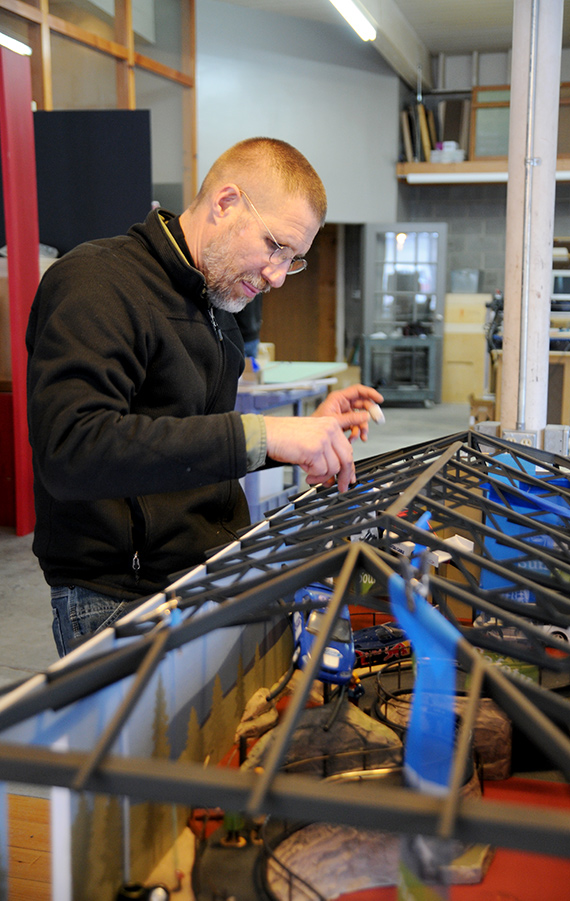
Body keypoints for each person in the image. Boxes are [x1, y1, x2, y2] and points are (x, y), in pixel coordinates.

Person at [26, 136, 383, 656]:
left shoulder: (216, 304)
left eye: (295, 259)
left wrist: (288, 442)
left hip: (208, 570)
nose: (279, 276)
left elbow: (182, 438)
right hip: (125, 599)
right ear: (225, 202)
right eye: (274, 246)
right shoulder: (96, 282)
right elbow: (73, 448)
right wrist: (264, 432)